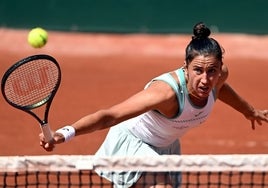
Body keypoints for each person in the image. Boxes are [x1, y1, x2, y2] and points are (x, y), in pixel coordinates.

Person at [40, 22, 268, 188]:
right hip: (134, 142)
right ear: (186, 68)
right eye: (197, 70)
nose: (206, 79)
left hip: (165, 145)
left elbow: (221, 88)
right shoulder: (165, 93)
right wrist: (64, 134)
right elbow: (111, 116)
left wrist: (249, 111)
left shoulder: (218, 78)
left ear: (220, 69)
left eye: (212, 71)